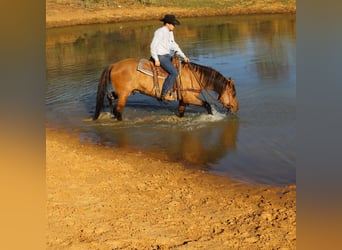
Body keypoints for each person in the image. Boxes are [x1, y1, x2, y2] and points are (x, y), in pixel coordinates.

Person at [150, 14, 190, 100]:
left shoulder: (170, 32)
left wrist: (183, 56)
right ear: (167, 23)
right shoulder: (159, 32)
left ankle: (176, 89)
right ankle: (163, 93)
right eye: (173, 24)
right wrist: (156, 59)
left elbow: (173, 45)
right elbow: (153, 46)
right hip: (161, 56)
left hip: (167, 55)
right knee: (174, 72)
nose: (174, 26)